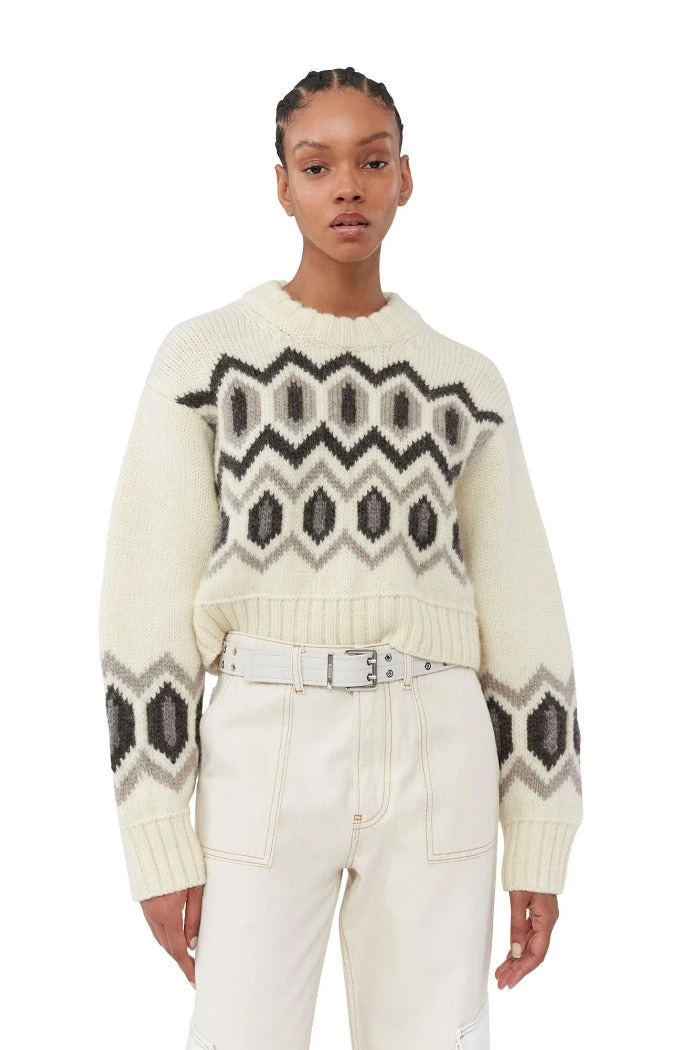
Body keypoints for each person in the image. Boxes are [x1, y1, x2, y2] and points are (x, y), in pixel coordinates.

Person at [98, 66, 583, 1050]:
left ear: (407, 178)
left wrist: (541, 829)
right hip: (263, 738)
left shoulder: (466, 383)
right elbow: (143, 605)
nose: (348, 186)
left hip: (437, 741)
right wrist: (155, 836)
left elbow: (523, 606)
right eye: (317, 166)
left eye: (372, 161)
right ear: (281, 186)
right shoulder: (203, 361)